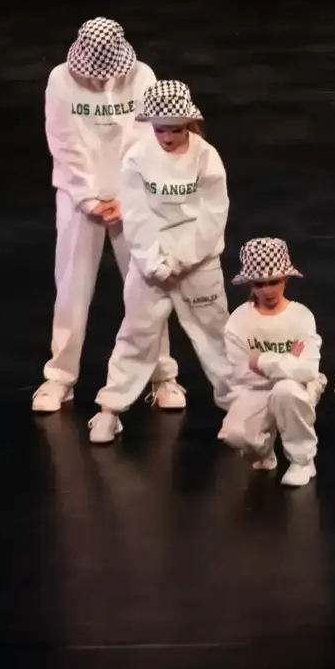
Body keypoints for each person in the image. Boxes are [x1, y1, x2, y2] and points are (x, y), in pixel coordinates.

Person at [34, 18, 181, 414]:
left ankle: (163, 375)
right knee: (71, 288)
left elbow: (147, 138)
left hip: (132, 196)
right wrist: (87, 198)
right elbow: (62, 142)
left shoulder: (142, 76)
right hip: (78, 198)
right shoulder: (60, 81)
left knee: (148, 285)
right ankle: (59, 378)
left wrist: (127, 196)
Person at [89, 80, 234, 444]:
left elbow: (213, 215)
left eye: (175, 129)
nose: (167, 138)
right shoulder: (138, 157)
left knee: (216, 335)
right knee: (136, 335)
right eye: (160, 129)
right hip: (150, 265)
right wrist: (154, 262)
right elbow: (136, 216)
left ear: (188, 124)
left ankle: (239, 409)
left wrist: (182, 259)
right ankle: (110, 409)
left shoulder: (206, 157)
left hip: (197, 264)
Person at [218, 238, 325, 488]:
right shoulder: (239, 321)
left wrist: (264, 361)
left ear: (286, 278)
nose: (268, 290)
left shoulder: (300, 316)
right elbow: (241, 373)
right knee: (234, 435)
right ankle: (264, 450)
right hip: (255, 390)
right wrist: (288, 362)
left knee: (286, 390)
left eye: (274, 281)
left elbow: (308, 369)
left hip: (295, 388)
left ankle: (302, 460)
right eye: (260, 283)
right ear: (251, 285)